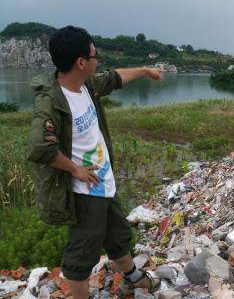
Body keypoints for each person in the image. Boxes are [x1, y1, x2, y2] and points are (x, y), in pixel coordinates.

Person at [27, 25, 164, 299]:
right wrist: (75, 168)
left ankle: (133, 278)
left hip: (103, 182)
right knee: (82, 253)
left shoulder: (85, 86)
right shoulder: (51, 102)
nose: (97, 59)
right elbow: (40, 147)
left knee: (117, 234)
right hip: (85, 192)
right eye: (94, 55)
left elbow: (114, 78)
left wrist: (145, 70)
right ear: (81, 62)